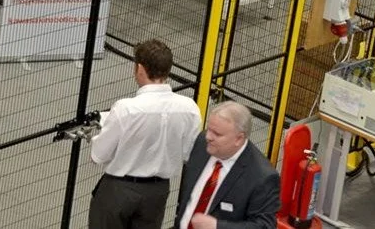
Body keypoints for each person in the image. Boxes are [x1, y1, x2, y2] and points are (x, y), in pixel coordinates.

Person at [89, 39, 202, 229]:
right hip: (157, 192)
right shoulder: (189, 108)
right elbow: (190, 153)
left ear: (140, 69)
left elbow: (98, 155)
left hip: (119, 189)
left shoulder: (125, 109)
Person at [175, 101, 280, 229]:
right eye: (209, 129)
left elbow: (265, 225)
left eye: (217, 134)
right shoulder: (202, 143)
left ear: (239, 139)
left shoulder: (262, 177)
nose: (208, 136)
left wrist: (217, 226)